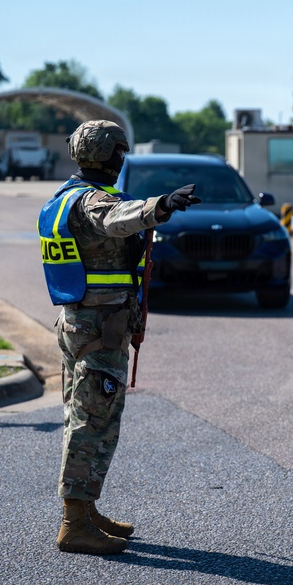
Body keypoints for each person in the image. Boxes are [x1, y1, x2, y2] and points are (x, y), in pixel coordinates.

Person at [37, 120, 201, 555]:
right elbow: (114, 220)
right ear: (109, 155)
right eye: (119, 152)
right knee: (93, 422)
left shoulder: (64, 197)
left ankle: (86, 510)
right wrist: (160, 206)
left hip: (80, 323)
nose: (121, 160)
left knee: (86, 416)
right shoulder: (92, 202)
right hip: (99, 328)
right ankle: (74, 524)